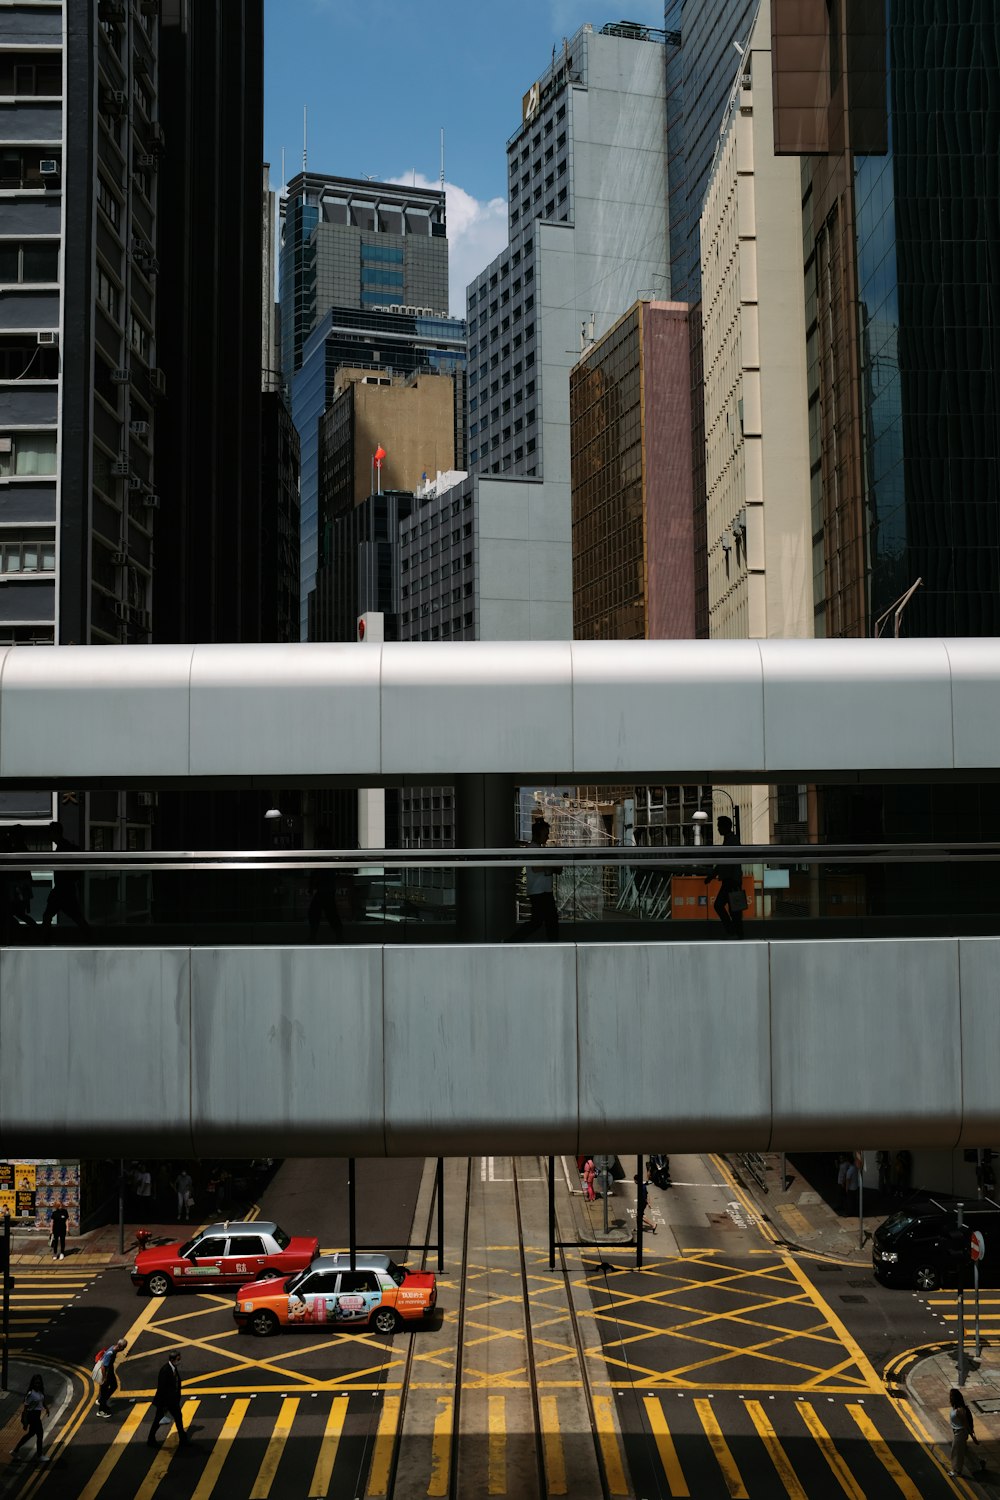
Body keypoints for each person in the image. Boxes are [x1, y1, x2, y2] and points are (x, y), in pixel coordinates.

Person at [507, 819, 561, 941]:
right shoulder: (533, 848)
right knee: (545, 920)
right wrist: (552, 867)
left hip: (542, 891)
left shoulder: (537, 848)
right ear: (537, 835)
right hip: (539, 891)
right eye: (545, 835)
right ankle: (512, 941)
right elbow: (536, 868)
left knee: (545, 920)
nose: (547, 837)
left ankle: (512, 941)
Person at [41, 821, 91, 932]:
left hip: (62, 889)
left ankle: (45, 940)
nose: (49, 836)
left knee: (48, 916)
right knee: (76, 917)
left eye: (50, 833)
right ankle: (90, 936)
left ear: (55, 833)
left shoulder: (62, 848)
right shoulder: (66, 846)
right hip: (66, 889)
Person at [704, 815, 744, 937]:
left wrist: (711, 876)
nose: (717, 829)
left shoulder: (731, 841)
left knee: (723, 906)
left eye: (718, 826)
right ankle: (737, 933)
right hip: (733, 880)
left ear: (724, 827)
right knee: (734, 910)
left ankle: (733, 931)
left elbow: (724, 862)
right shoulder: (731, 840)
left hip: (731, 881)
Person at [146, 1351, 189, 1447]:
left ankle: (183, 1439)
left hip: (172, 1401)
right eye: (178, 1359)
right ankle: (150, 1439)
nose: (179, 1361)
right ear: (172, 1360)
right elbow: (162, 1389)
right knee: (158, 1420)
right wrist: (165, 1405)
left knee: (178, 1417)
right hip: (165, 1402)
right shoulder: (165, 1370)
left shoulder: (173, 1368)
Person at [949, 1387, 986, 1477]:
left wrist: (973, 1437)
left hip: (960, 1433)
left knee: (956, 1452)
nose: (950, 1397)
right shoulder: (955, 1407)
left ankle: (957, 1471)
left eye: (951, 1396)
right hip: (957, 1432)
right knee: (965, 1450)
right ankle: (979, 1462)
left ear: (955, 1398)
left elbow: (966, 1425)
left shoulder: (960, 1410)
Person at [12, 1373, 49, 1462]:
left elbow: (41, 1401)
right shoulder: (31, 1394)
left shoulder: (39, 1391)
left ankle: (15, 1450)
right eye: (36, 1383)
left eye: (39, 1383)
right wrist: (25, 1422)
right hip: (33, 1416)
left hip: (36, 1415)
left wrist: (46, 1408)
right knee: (40, 1434)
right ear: (33, 1383)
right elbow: (25, 1409)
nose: (37, 1384)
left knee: (31, 1434)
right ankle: (39, 1455)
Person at [95, 1338, 127, 1417]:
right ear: (120, 1347)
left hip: (110, 1373)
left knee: (113, 1386)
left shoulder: (114, 1348)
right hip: (106, 1375)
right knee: (104, 1391)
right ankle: (101, 1411)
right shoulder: (110, 1353)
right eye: (124, 1348)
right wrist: (104, 1378)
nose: (124, 1349)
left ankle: (102, 1400)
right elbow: (103, 1367)